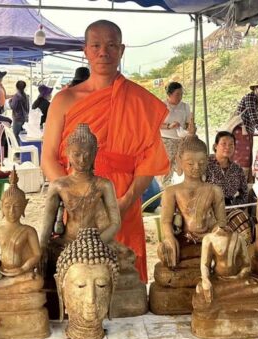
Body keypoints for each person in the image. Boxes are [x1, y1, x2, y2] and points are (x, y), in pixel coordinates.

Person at [41, 20, 169, 282]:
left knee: (125, 277)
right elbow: (49, 158)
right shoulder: (64, 100)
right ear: (85, 50)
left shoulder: (139, 100)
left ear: (121, 50)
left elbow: (149, 159)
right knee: (80, 276)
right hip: (77, 203)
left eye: (111, 45)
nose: (104, 52)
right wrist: (73, 197)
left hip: (124, 199)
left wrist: (125, 201)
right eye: (96, 45)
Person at [159, 81, 195, 187]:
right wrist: (169, 126)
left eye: (181, 94)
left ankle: (182, 186)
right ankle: (165, 188)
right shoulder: (161, 105)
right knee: (167, 165)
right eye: (177, 94)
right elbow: (154, 124)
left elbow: (188, 123)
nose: (180, 97)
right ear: (169, 95)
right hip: (166, 139)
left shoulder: (185, 106)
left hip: (181, 139)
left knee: (181, 166)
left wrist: (189, 127)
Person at [206, 131, 248, 206]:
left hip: (230, 209)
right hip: (208, 209)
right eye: (224, 144)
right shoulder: (205, 164)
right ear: (215, 146)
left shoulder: (237, 169)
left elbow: (244, 193)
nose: (227, 147)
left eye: (231, 144)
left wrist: (235, 205)